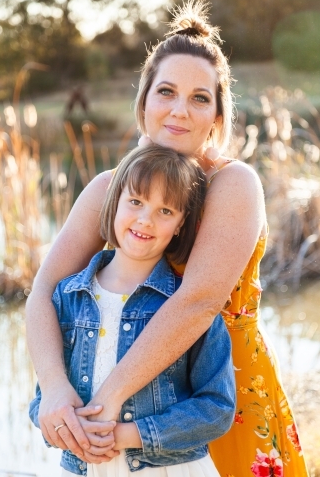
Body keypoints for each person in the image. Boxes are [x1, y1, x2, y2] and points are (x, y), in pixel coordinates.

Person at [26, 0, 309, 477]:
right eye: (166, 92)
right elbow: (42, 292)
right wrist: (54, 388)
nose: (180, 110)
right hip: (132, 418)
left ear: (218, 116)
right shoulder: (109, 190)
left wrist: (108, 397)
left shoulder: (233, 184)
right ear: (143, 102)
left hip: (223, 401)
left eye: (200, 98)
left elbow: (198, 301)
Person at [29, 145, 236, 476]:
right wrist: (62, 424)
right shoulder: (67, 297)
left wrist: (125, 435)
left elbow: (216, 408)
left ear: (181, 224)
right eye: (136, 202)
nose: (146, 220)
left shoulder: (186, 310)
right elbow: (43, 400)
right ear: (113, 205)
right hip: (83, 469)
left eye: (165, 211)